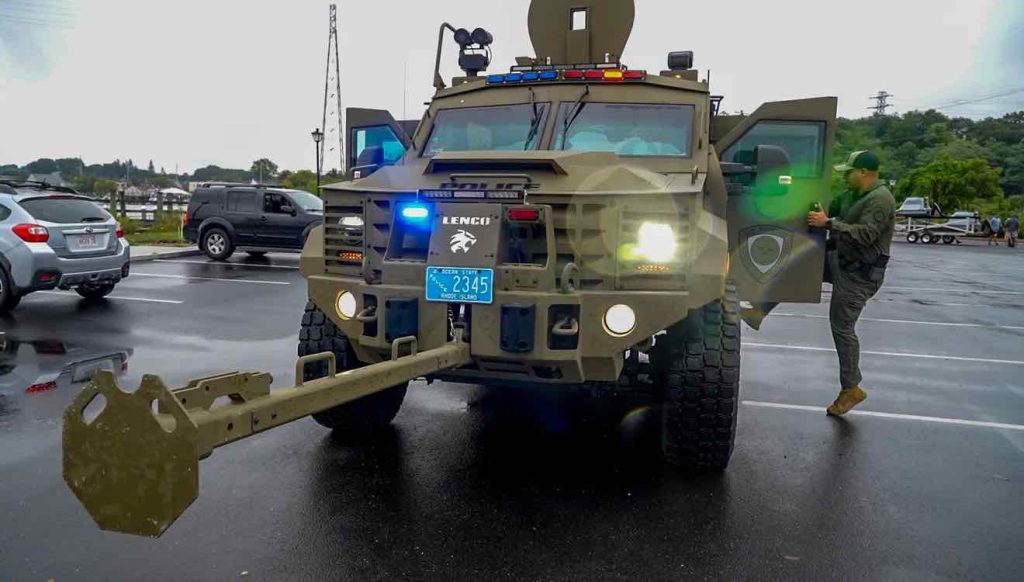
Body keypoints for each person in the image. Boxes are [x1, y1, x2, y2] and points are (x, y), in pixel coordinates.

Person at [808, 151, 896, 416]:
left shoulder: (880, 200)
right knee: (797, 266)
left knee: (842, 327)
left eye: (849, 171)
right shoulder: (852, 194)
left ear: (864, 173)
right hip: (841, 261)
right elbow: (830, 208)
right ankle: (759, 308)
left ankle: (851, 388)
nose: (845, 176)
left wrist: (829, 223)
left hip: (860, 275)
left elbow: (866, 235)